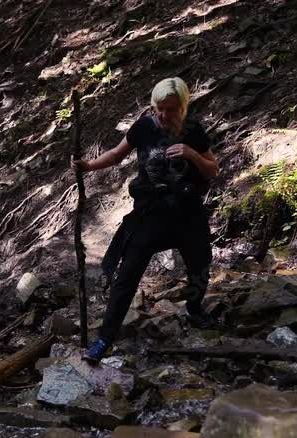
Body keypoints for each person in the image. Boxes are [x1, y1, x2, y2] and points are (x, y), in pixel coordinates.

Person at [74, 77, 219, 363]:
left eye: (171, 109)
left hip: (187, 213)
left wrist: (191, 154)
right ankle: (105, 338)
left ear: (183, 107)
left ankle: (194, 309)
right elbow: (116, 155)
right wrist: (88, 166)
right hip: (150, 214)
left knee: (201, 263)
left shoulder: (193, 131)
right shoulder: (143, 127)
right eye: (159, 109)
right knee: (127, 275)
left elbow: (212, 169)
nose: (164, 115)